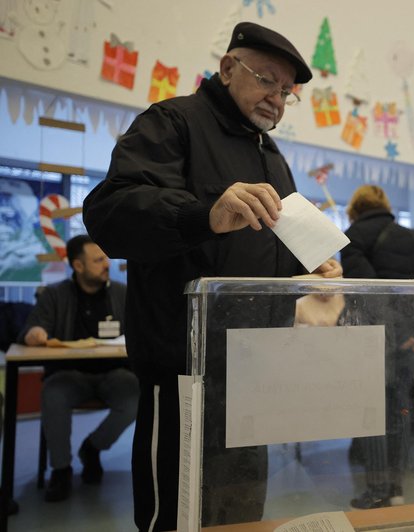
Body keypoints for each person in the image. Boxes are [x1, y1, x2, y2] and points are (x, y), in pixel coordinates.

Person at [82, 22, 342, 531]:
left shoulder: (272, 156)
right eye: (268, 80)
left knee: (241, 512)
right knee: (175, 514)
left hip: (253, 374)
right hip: (183, 369)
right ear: (228, 68)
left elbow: (270, 249)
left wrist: (313, 267)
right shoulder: (172, 122)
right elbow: (111, 211)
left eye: (287, 92)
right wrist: (205, 215)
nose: (277, 98)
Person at [339, 184, 414, 509]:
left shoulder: (354, 236)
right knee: (402, 414)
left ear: (356, 208)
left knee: (372, 416)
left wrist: (395, 338)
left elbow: (367, 295)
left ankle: (378, 489)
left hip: (377, 341)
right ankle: (397, 486)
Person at [17, 235, 138, 503]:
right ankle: (61, 470)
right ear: (78, 266)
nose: (106, 264)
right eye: (98, 260)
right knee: (54, 394)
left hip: (114, 373)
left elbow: (139, 333)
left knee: (135, 396)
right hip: (68, 373)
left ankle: (92, 448)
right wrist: (35, 333)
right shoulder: (54, 295)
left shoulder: (121, 292)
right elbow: (32, 330)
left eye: (105, 258)